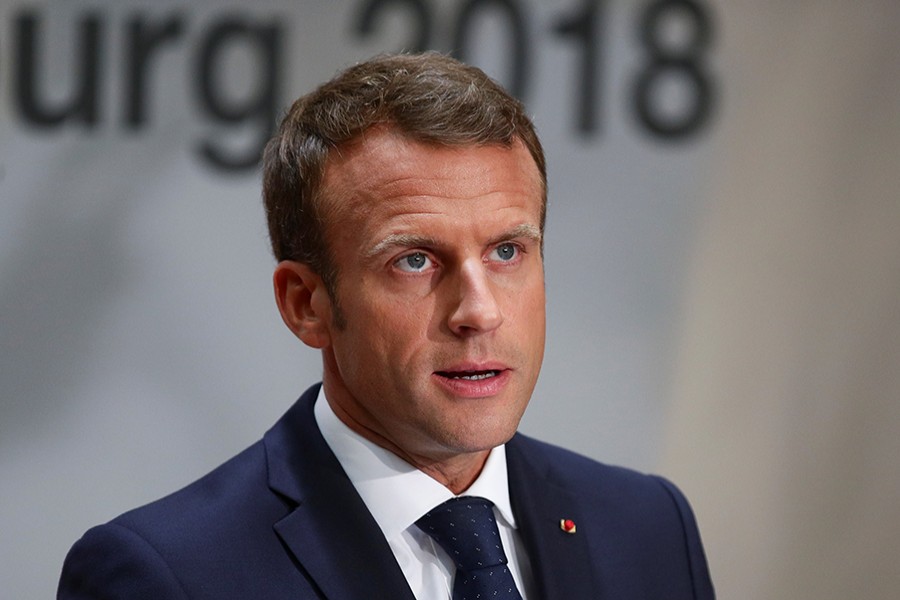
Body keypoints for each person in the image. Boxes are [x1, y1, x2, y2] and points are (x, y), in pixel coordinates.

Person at [58, 52, 714, 599]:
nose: (478, 311)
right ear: (305, 304)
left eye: (507, 251)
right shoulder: (165, 575)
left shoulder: (648, 527)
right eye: (414, 260)